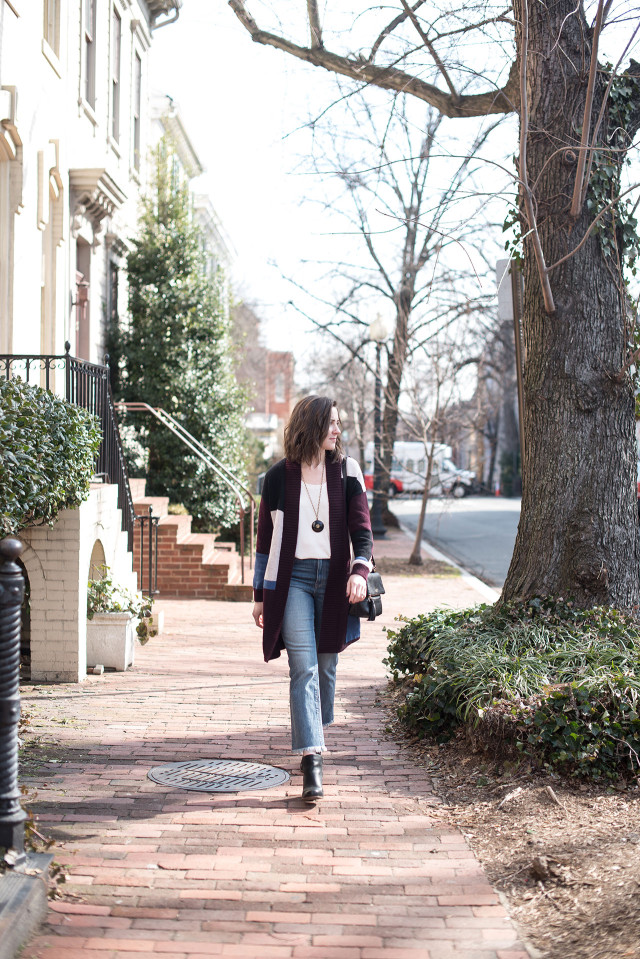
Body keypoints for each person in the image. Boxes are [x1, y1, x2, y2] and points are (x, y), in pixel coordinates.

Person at [252, 395, 373, 801]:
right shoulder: (277, 477)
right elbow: (265, 542)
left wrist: (359, 571)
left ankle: (315, 730)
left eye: (339, 423)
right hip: (293, 582)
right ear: (313, 425)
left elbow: (363, 532)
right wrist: (259, 595)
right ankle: (312, 759)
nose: (338, 430)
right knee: (302, 668)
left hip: (335, 581)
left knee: (326, 667)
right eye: (332, 423)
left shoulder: (347, 471)